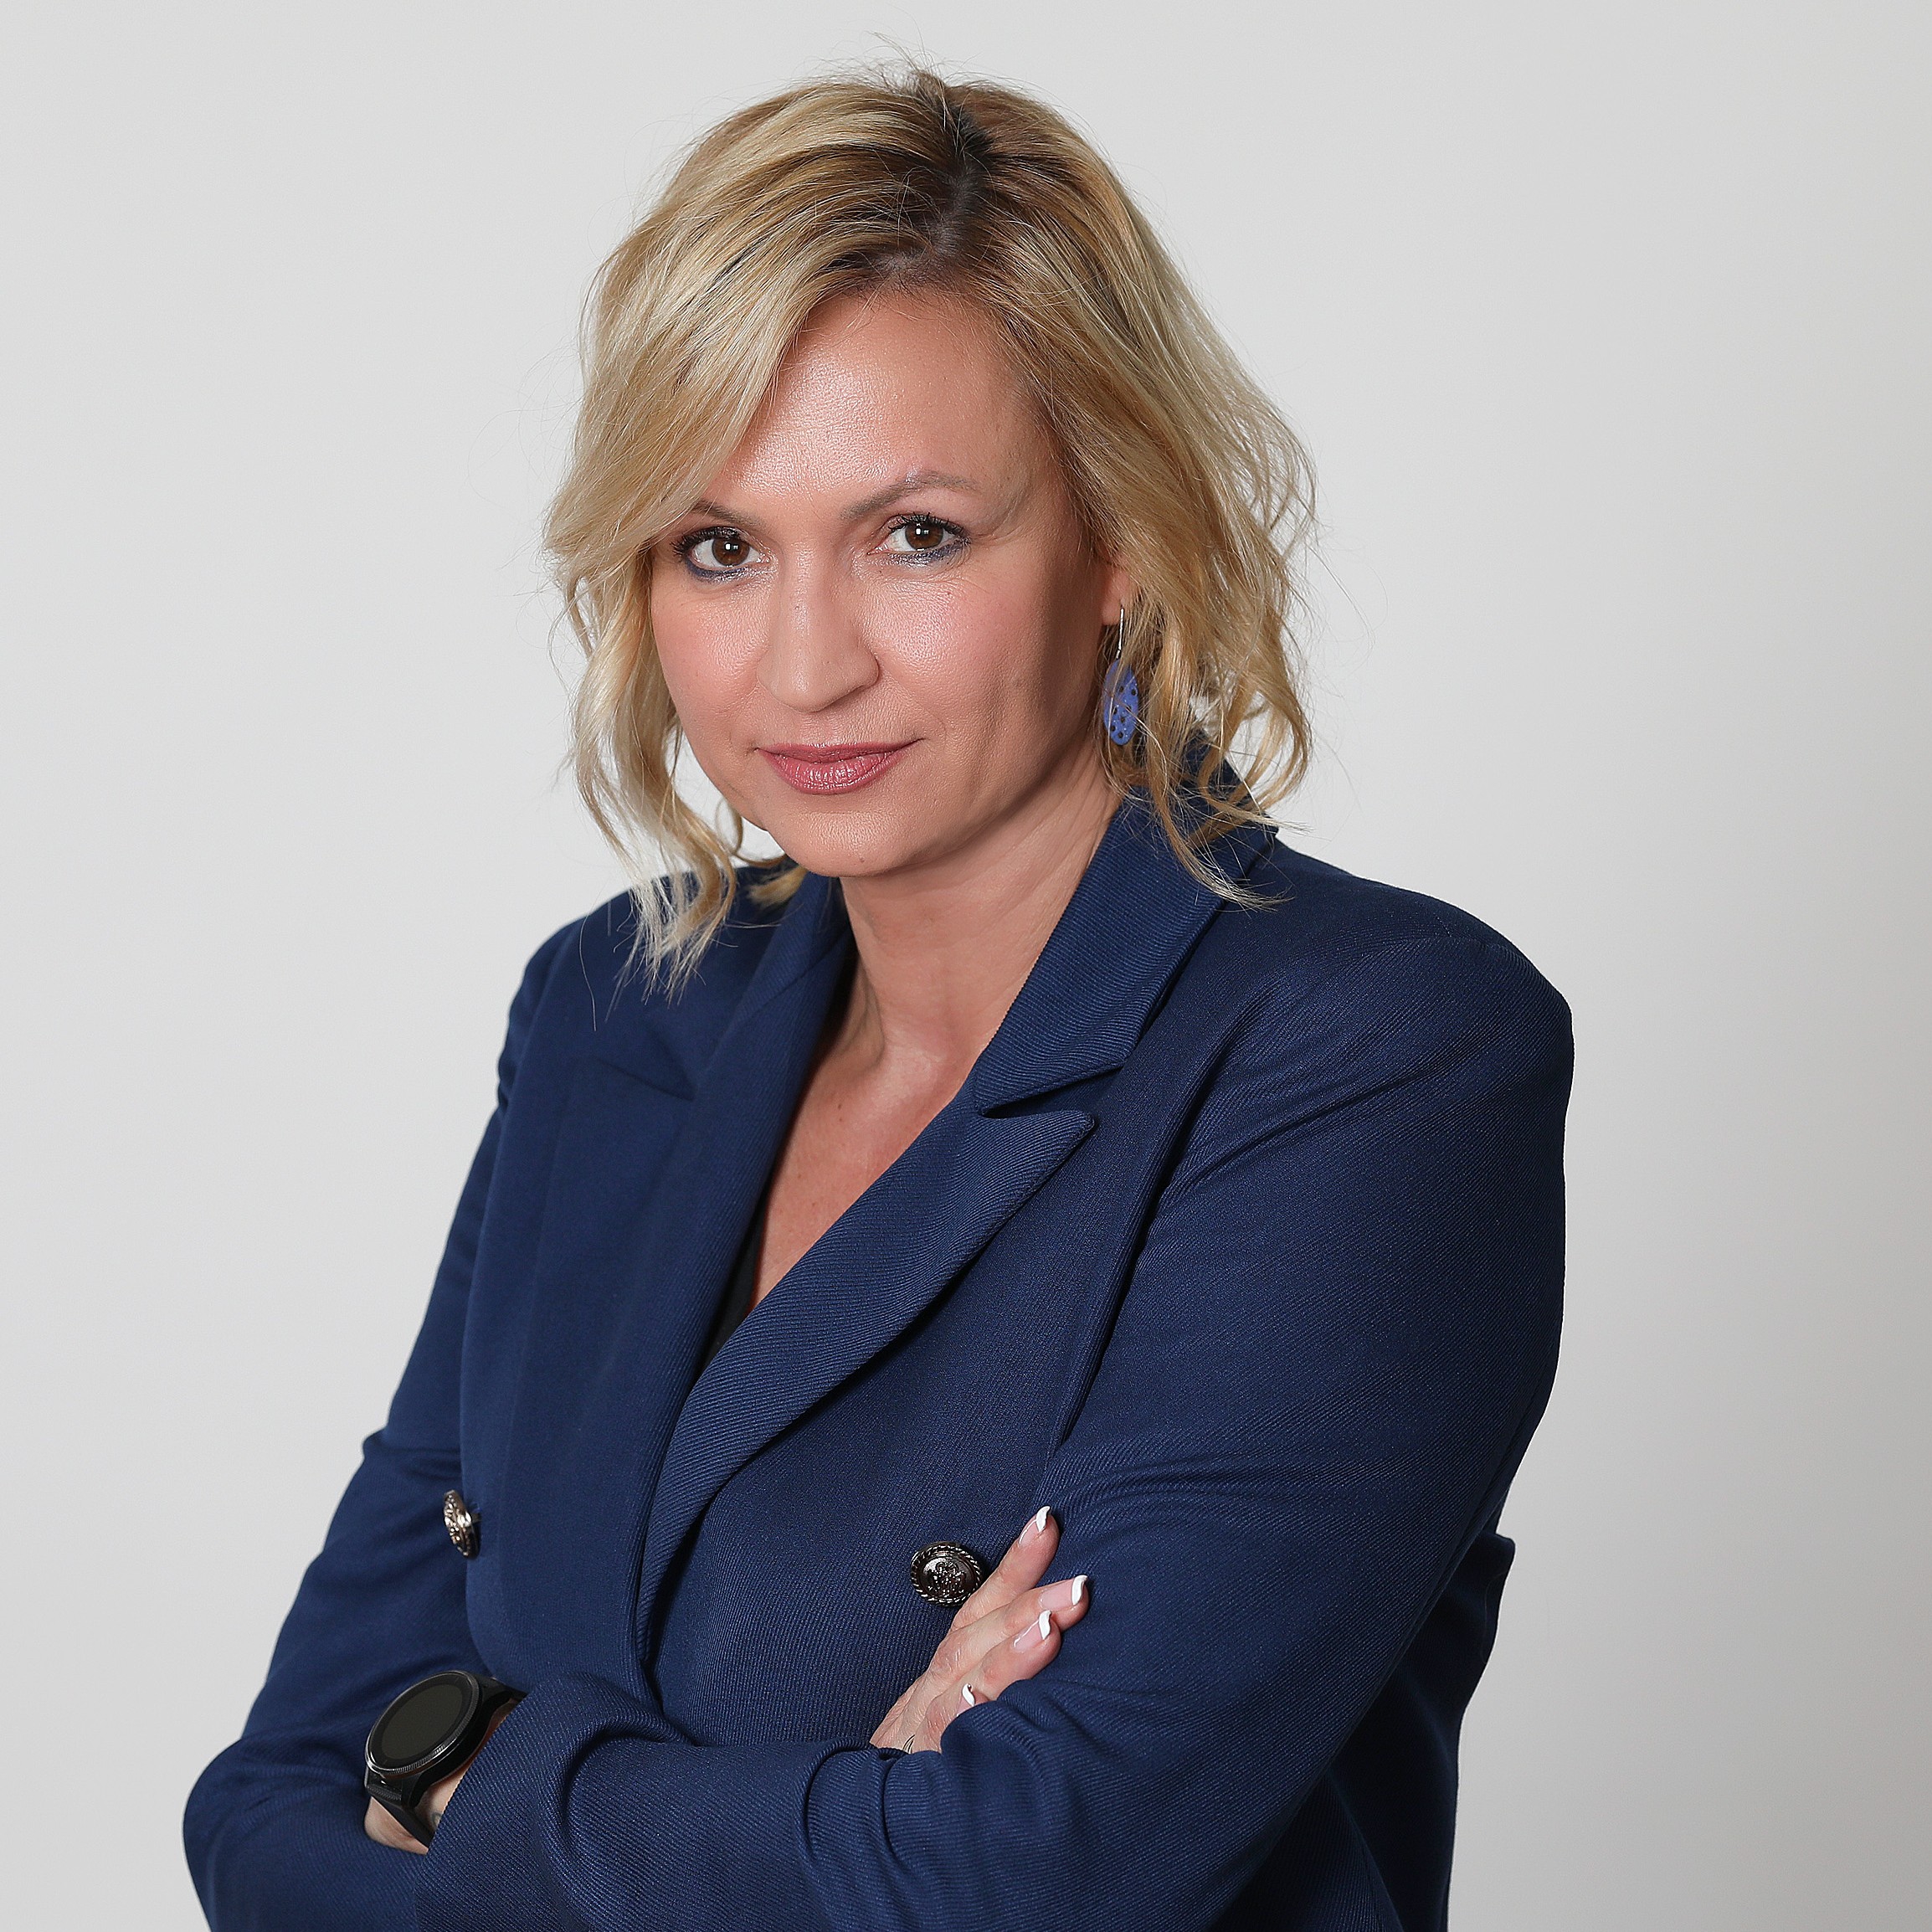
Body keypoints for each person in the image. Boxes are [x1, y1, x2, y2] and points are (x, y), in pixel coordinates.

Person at [184, 64, 1571, 1932]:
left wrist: (465, 1785)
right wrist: (853, 1815)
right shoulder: (615, 1014)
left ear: (1120, 537)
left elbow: (1039, 1875)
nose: (803, 662)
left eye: (916, 533)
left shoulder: (1374, 1052)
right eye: (719, 545)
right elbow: (263, 1815)